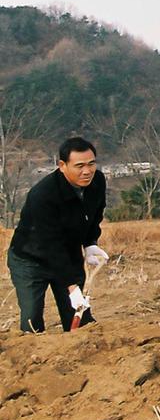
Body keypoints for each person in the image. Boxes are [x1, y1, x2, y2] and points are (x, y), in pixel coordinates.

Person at [7, 137, 107, 333]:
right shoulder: (43, 195)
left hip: (68, 254)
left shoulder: (97, 182)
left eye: (91, 164)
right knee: (32, 320)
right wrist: (71, 286)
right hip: (31, 259)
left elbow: (94, 214)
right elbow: (50, 245)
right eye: (79, 166)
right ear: (62, 165)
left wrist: (90, 242)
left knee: (80, 317)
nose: (87, 171)